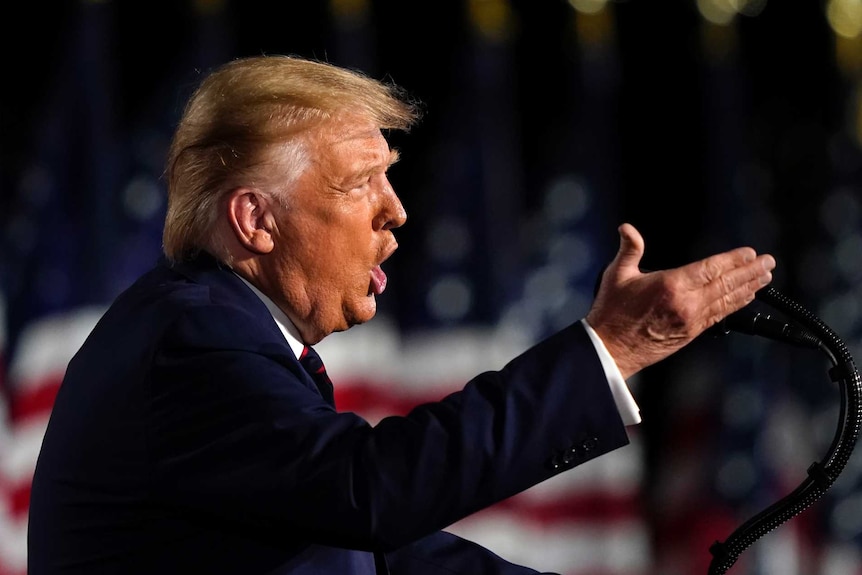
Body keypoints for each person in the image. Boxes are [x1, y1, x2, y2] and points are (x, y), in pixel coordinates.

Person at [27, 54, 776, 575]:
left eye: (391, 178)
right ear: (256, 219)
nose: (398, 212)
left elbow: (371, 557)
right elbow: (371, 491)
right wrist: (606, 349)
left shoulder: (212, 329)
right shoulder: (192, 338)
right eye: (361, 184)